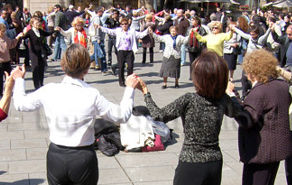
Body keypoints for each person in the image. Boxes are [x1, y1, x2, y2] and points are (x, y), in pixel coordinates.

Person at [12, 43, 140, 185]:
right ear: (86, 69)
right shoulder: (91, 94)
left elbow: (20, 104)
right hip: (83, 157)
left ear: (62, 66)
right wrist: (129, 89)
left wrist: (19, 80)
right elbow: (121, 116)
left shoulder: (48, 90)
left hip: (56, 156)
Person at [137, 50, 250, 185]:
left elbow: (158, 115)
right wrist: (232, 93)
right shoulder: (223, 99)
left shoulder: (189, 99)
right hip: (214, 162)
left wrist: (146, 92)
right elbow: (237, 112)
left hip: (191, 163)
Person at [227, 49, 292, 185]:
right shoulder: (282, 86)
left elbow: (246, 120)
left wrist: (231, 96)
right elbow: (254, 109)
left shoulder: (260, 91)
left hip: (260, 152)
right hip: (276, 149)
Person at [96, 17, 149, 87]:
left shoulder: (132, 31)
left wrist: (148, 30)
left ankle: (129, 81)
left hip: (129, 51)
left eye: (126, 24)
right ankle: (121, 81)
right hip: (121, 51)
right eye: (123, 24)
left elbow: (140, 35)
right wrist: (100, 27)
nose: (124, 25)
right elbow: (110, 31)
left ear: (128, 24)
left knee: (130, 67)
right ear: (121, 25)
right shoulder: (118, 31)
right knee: (121, 67)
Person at [22, 17, 54, 90]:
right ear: (32, 24)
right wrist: (20, 36)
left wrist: (55, 30)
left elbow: (47, 33)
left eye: (38, 23)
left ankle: (41, 83)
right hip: (34, 53)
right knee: (35, 68)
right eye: (36, 23)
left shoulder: (40, 30)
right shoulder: (30, 32)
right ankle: (36, 85)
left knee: (41, 68)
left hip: (41, 52)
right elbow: (24, 37)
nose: (38, 24)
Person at [0, 23, 23, 96]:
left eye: (4, 31)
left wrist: (18, 37)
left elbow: (11, 44)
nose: (2, 33)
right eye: (1, 31)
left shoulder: (5, 37)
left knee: (9, 77)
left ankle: (7, 90)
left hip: (6, 60)